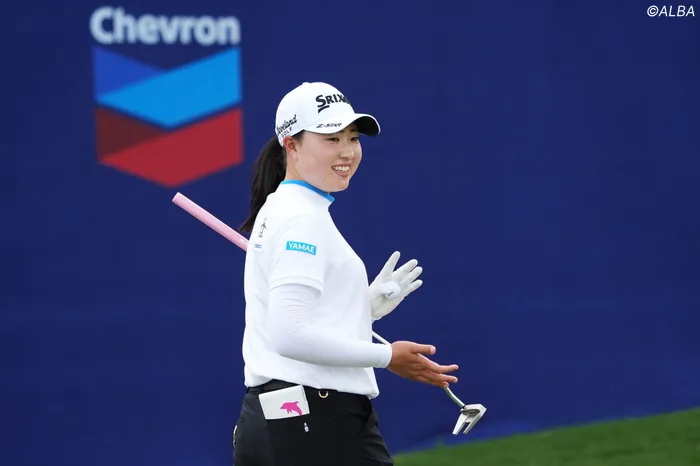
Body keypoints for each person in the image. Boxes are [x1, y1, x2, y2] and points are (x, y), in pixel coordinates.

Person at [232, 81, 460, 466]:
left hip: (286, 420)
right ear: (291, 145)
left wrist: (361, 308)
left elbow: (298, 322)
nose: (347, 151)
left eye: (353, 138)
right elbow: (290, 335)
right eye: (331, 139)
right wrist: (388, 356)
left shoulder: (287, 208)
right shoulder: (301, 219)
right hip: (314, 422)